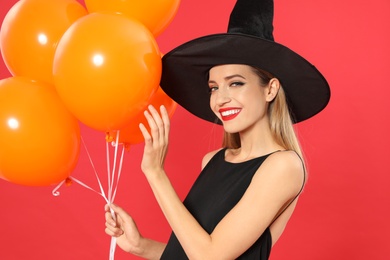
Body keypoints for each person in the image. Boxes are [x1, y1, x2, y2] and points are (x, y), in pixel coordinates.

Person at [105, 0, 330, 259]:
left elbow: (210, 256)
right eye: (214, 87)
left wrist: (156, 173)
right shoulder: (212, 161)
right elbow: (191, 252)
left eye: (235, 83)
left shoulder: (284, 166)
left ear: (270, 89)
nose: (220, 98)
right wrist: (140, 246)